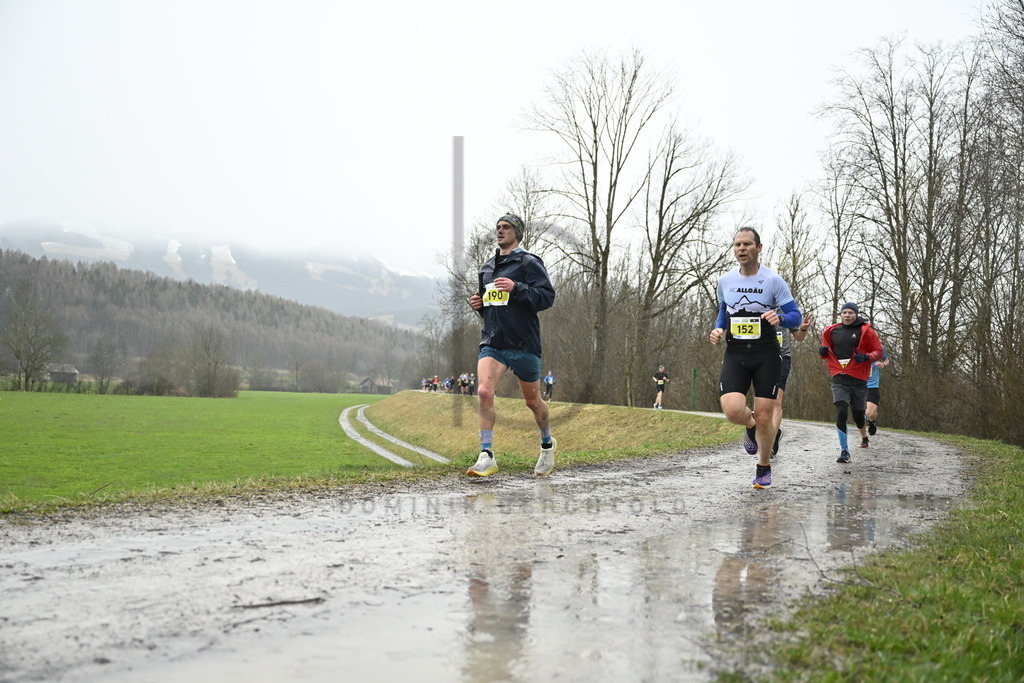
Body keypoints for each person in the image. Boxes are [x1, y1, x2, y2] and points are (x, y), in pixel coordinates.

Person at [709, 227, 803, 489]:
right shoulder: (725, 281)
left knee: (765, 415)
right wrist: (718, 328)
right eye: (737, 244)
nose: (741, 249)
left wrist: (781, 318)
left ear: (758, 248)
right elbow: (723, 311)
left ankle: (763, 466)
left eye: (747, 244)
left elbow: (795, 315)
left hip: (766, 354)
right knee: (732, 410)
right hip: (735, 353)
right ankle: (750, 427)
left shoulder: (773, 281)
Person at [466, 213, 556, 477]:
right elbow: (493, 307)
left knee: (532, 401)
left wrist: (517, 287)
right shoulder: (486, 268)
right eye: (498, 228)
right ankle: (486, 455)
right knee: (484, 392)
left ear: (518, 232)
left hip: (523, 343)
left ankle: (547, 444)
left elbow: (546, 297)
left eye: (506, 227)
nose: (500, 231)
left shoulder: (528, 262)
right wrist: (479, 306)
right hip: (494, 341)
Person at [818, 302, 884, 464]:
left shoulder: (865, 331)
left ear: (856, 314)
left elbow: (878, 351)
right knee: (841, 410)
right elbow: (826, 349)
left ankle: (864, 436)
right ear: (840, 315)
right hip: (839, 378)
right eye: (844, 312)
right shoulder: (832, 330)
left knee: (858, 416)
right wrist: (823, 351)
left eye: (850, 313)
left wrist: (867, 357)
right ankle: (844, 450)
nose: (847, 315)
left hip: (859, 380)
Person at [772, 310, 814, 456]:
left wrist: (803, 328)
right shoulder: (756, 305)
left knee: (776, 401)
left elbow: (799, 337)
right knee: (763, 402)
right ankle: (773, 433)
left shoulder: (785, 310)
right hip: (759, 358)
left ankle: (770, 441)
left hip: (782, 358)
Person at [866, 350, 889, 435]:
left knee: (870, 414)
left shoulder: (878, 346)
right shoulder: (856, 345)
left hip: (872, 386)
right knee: (860, 411)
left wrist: (883, 364)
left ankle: (872, 422)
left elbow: (886, 360)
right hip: (858, 385)